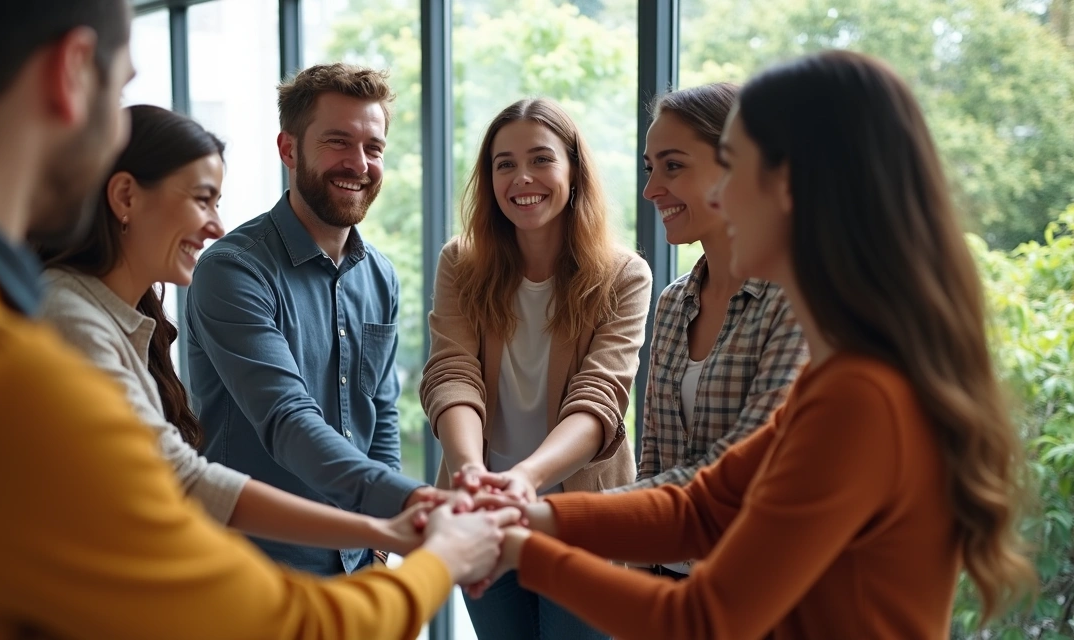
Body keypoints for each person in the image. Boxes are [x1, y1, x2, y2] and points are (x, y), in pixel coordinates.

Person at [0, 1, 518, 638]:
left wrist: (383, 532)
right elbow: (287, 625)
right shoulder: (22, 378)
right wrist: (440, 554)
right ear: (72, 70)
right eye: (121, 88)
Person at [476, 50, 1037, 638]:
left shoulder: (862, 397)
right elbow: (700, 507)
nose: (718, 198)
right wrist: (524, 516)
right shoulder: (839, 378)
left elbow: (704, 618)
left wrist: (520, 548)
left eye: (733, 167)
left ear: (790, 183)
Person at [38, 103, 432, 555]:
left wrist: (380, 540)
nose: (216, 226)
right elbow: (199, 473)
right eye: (201, 200)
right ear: (126, 197)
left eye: (374, 147)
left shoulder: (124, 320)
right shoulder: (73, 319)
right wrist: (397, 516)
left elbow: (381, 416)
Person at [185, 62, 452, 576]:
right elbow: (288, 420)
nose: (359, 163)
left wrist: (377, 550)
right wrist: (412, 502)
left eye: (373, 148)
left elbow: (380, 414)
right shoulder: (232, 270)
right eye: (338, 142)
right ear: (289, 149)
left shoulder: (379, 275)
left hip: (359, 561)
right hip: (254, 568)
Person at [420, 97, 652, 640]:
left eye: (541, 159)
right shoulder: (461, 262)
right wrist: (472, 475)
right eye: (505, 164)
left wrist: (524, 479)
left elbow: (600, 398)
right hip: (481, 513)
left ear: (573, 169)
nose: (523, 177)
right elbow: (452, 372)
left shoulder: (624, 275)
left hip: (579, 519)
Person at [606, 84, 809, 581]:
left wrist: (551, 518)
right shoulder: (676, 302)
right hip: (667, 576)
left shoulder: (797, 300)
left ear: (737, 168)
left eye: (673, 166)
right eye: (650, 168)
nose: (651, 189)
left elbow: (739, 465)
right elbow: (653, 450)